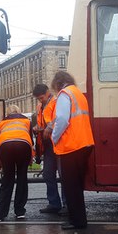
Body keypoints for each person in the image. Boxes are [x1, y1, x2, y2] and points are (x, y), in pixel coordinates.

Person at [50, 71, 95, 230]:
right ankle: (79, 219)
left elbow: (62, 119)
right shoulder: (78, 94)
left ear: (57, 83)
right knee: (77, 186)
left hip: (71, 146)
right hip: (85, 144)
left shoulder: (64, 94)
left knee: (71, 186)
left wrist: (54, 137)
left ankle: (77, 221)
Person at [0, 105, 34, 221]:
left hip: (5, 146)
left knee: (7, 179)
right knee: (22, 178)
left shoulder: (2, 123)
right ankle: (20, 211)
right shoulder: (27, 122)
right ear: (19, 111)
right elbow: (30, 140)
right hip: (23, 145)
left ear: (7, 113)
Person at [32, 84, 66, 215]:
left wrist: (48, 128)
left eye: (42, 98)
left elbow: (59, 119)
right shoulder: (40, 106)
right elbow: (42, 122)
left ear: (47, 93)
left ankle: (66, 204)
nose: (41, 101)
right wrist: (37, 128)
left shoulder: (57, 101)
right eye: (39, 99)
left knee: (64, 175)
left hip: (58, 143)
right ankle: (54, 203)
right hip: (48, 145)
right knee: (47, 174)